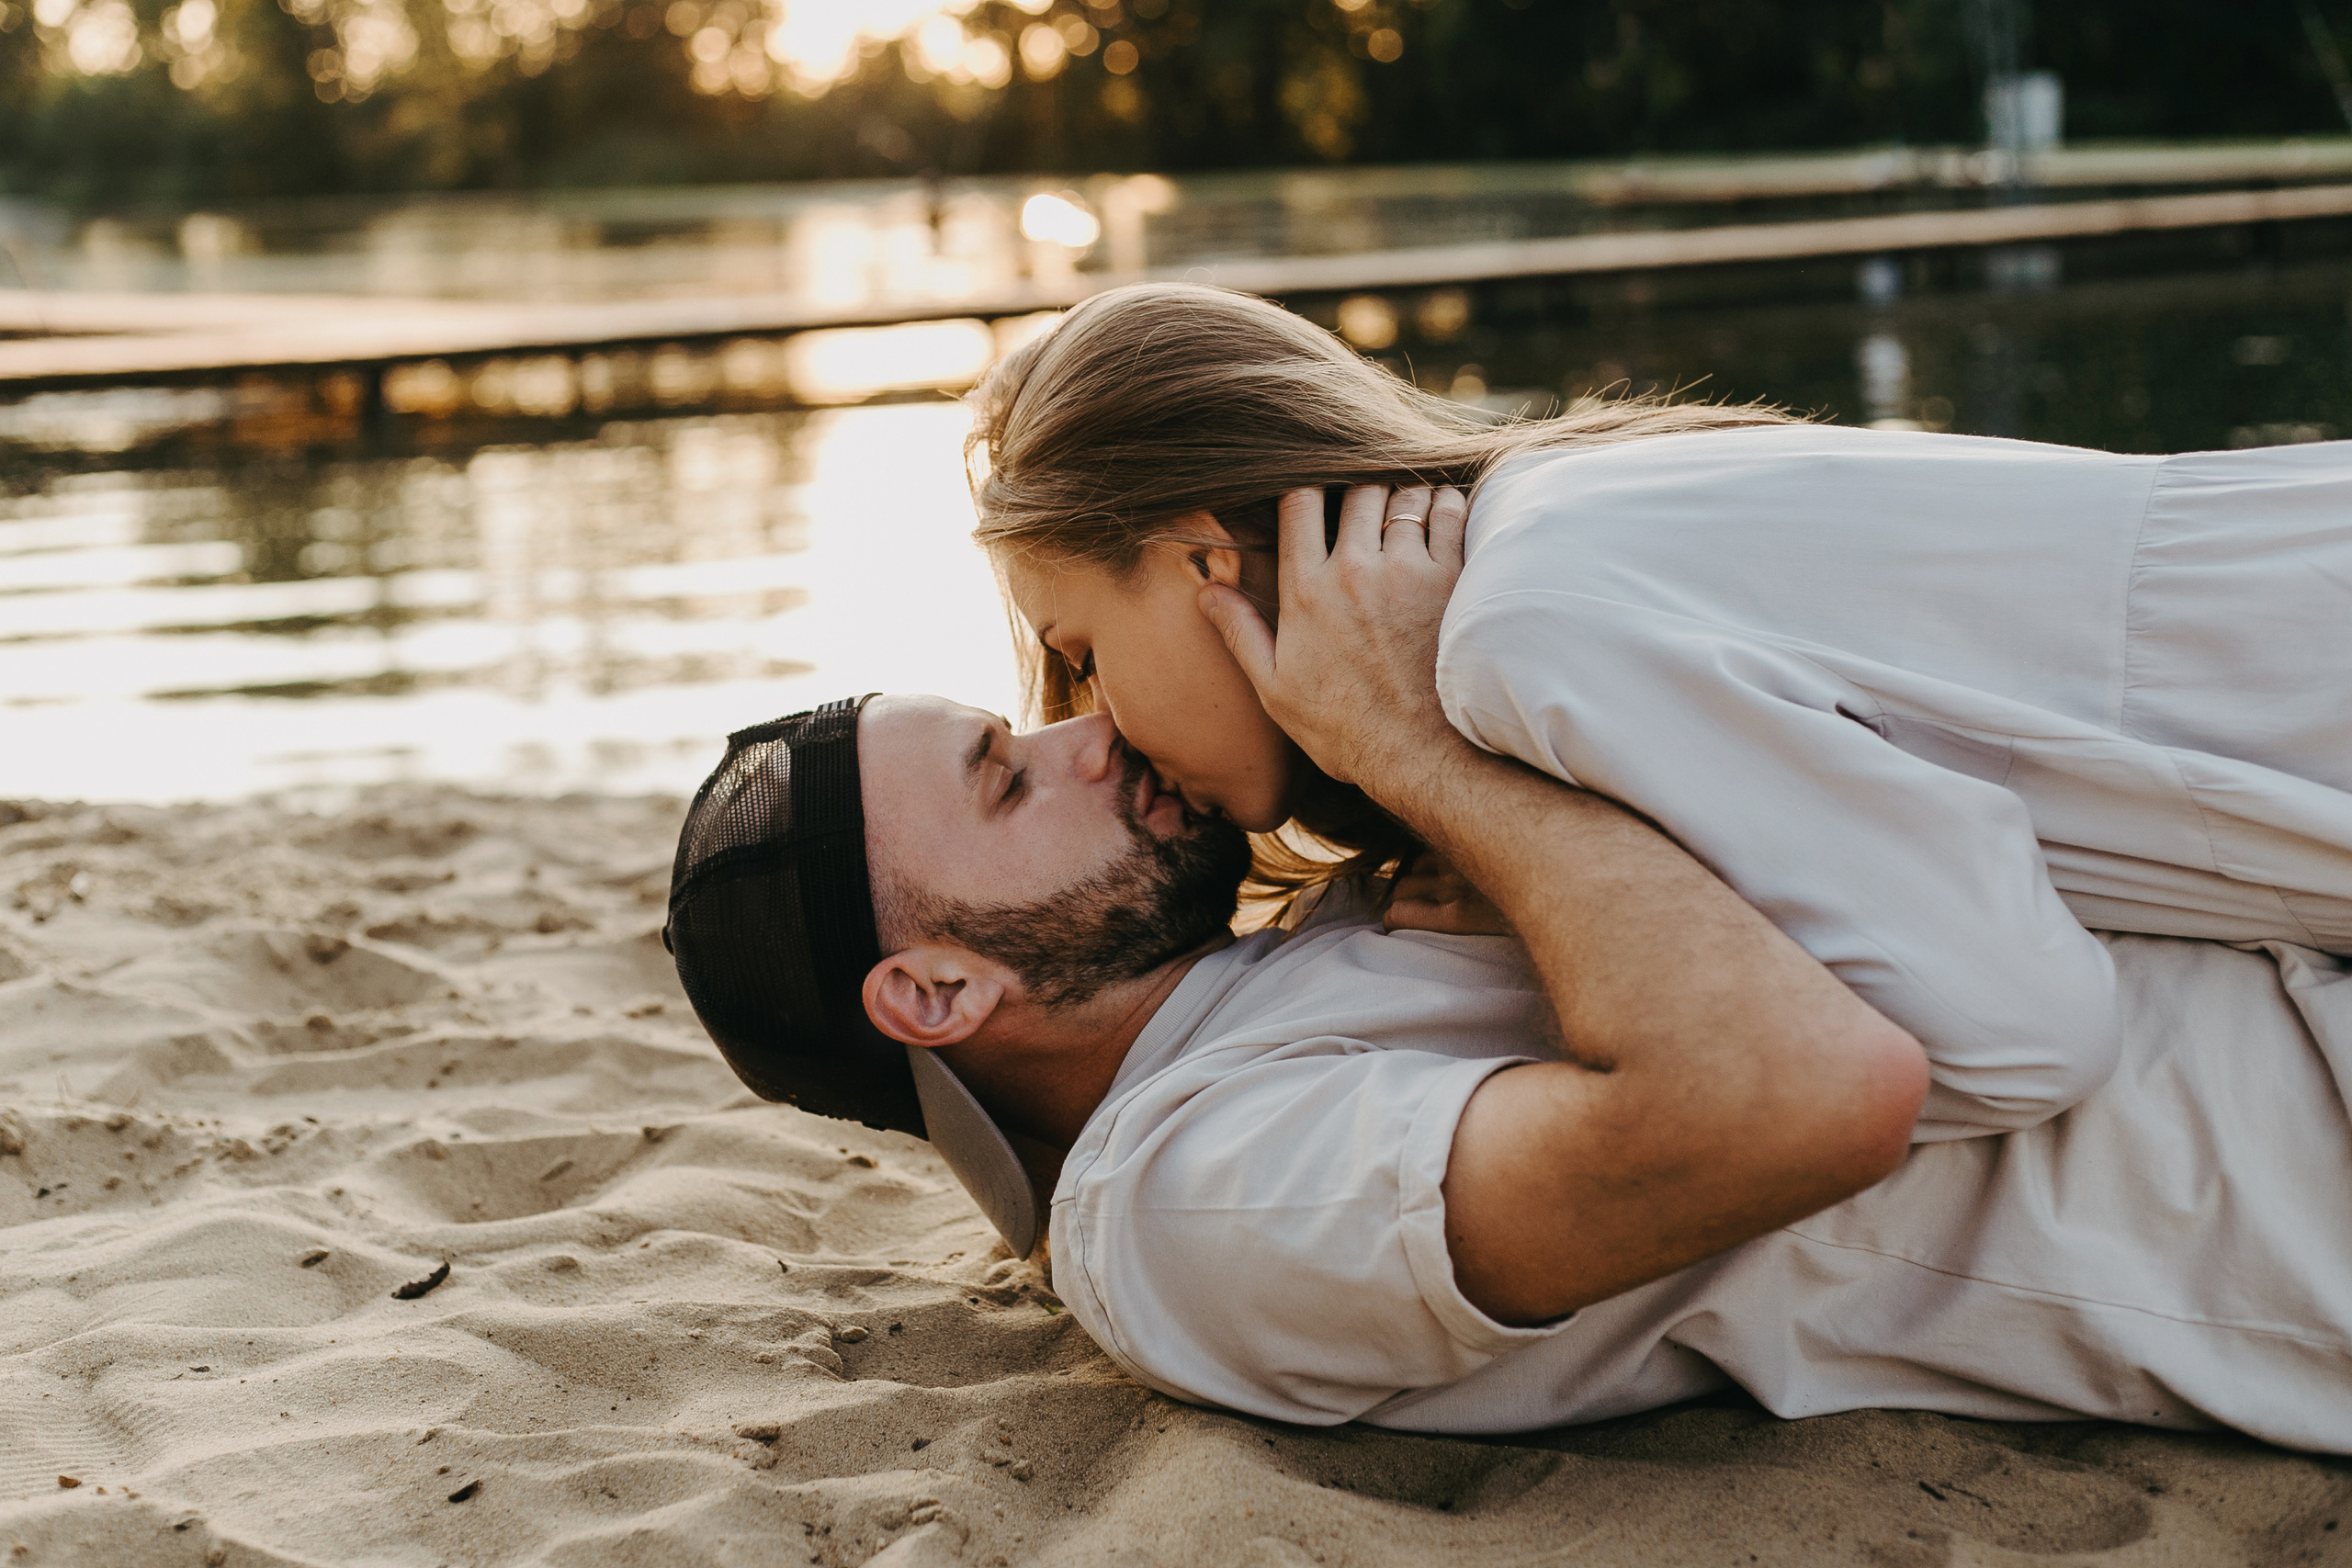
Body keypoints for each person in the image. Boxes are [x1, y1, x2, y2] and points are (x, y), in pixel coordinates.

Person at [663, 689, 2352, 1454]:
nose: (1085, 732)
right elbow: (1793, 1101)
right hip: (2287, 1166)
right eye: (1009, 778)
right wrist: (1447, 774)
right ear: (938, 989)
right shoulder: (1185, 1208)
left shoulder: (1240, 990)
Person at [967, 282, 2352, 1140]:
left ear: (1200, 555)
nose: (1093, 727)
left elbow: (2019, 1036)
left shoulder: (1523, 635)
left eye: (1081, 652)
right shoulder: (1558, 517)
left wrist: (1460, 799)